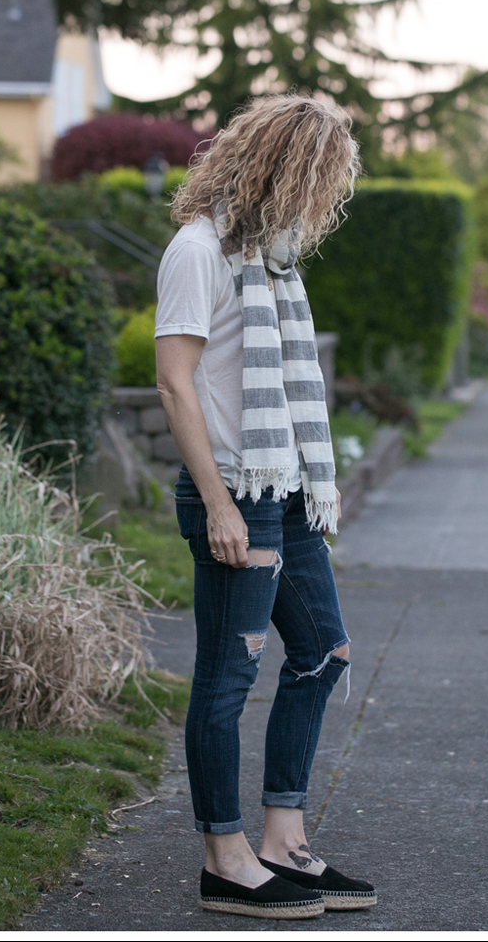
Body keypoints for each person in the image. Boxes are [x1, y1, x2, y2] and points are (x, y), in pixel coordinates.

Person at [155, 94, 375, 920]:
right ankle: (225, 856)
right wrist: (218, 506)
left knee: (324, 651)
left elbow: (284, 387)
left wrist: (310, 475)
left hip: (280, 493)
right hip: (233, 498)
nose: (323, 204)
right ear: (283, 170)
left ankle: (281, 839)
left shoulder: (273, 265)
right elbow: (175, 383)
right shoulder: (199, 251)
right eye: (320, 182)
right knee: (228, 674)